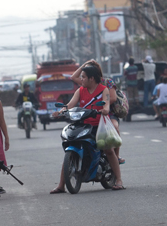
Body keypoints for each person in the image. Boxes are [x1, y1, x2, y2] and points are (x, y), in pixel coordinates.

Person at [50, 65, 125, 193]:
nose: (81, 79)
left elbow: (106, 104)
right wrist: (61, 111)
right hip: (82, 124)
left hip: (98, 126)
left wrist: (105, 110)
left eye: (83, 77)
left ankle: (119, 180)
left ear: (91, 78)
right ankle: (61, 185)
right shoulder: (80, 90)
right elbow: (70, 105)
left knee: (109, 150)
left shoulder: (104, 90)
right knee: (70, 149)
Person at [72, 60, 124, 164]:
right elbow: (73, 77)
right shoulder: (86, 83)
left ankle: (116, 156)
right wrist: (83, 65)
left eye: (87, 70)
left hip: (108, 112)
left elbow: (112, 98)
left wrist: (103, 106)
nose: (82, 77)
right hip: (90, 114)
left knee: (114, 128)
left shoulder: (107, 83)